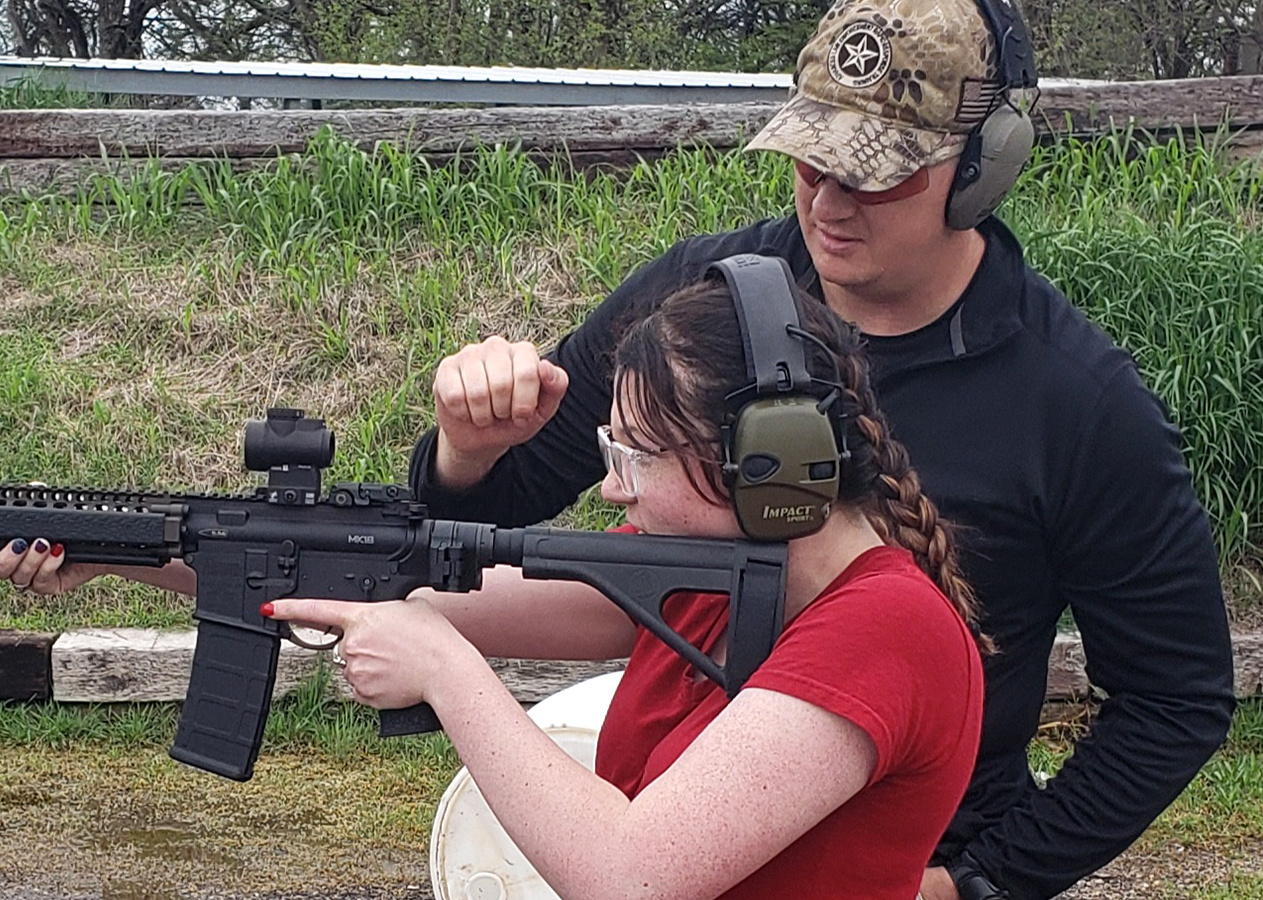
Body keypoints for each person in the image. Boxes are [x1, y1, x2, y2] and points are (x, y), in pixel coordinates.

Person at [405, 0, 1236, 897]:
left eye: (876, 176)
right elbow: (497, 515)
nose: (828, 203)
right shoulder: (708, 302)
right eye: (811, 159)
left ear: (981, 170)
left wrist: (979, 882)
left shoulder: (1075, 402)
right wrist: (467, 451)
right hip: (676, 819)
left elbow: (1175, 698)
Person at [264, 265, 984, 899]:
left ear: (770, 461)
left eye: (636, 454)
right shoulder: (712, 580)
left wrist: (445, 671)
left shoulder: (888, 626)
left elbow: (631, 876)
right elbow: (423, 587)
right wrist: (198, 551)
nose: (613, 487)